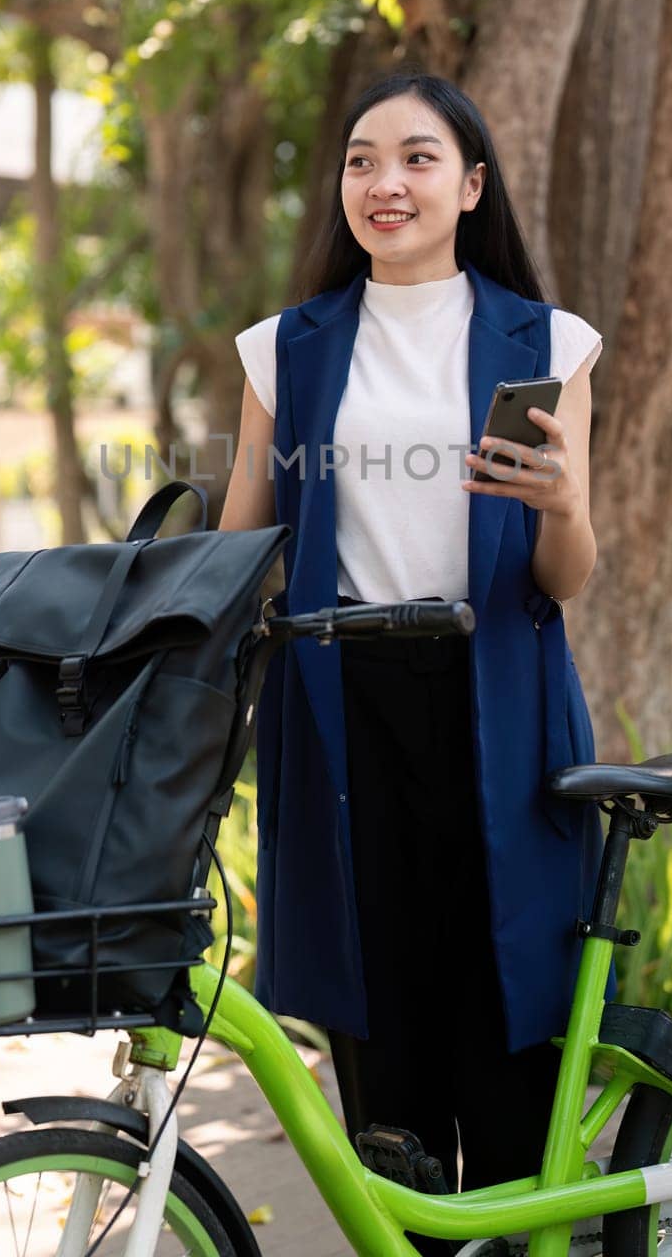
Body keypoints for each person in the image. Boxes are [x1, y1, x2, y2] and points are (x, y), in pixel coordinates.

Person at [219, 71, 610, 1233]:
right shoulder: (282, 351)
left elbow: (563, 579)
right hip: (339, 710)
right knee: (379, 1058)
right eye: (359, 160)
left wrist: (560, 503)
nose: (384, 182)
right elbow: (240, 547)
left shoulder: (542, 340)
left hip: (499, 700)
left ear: (471, 184)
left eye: (417, 157)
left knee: (504, 1032)